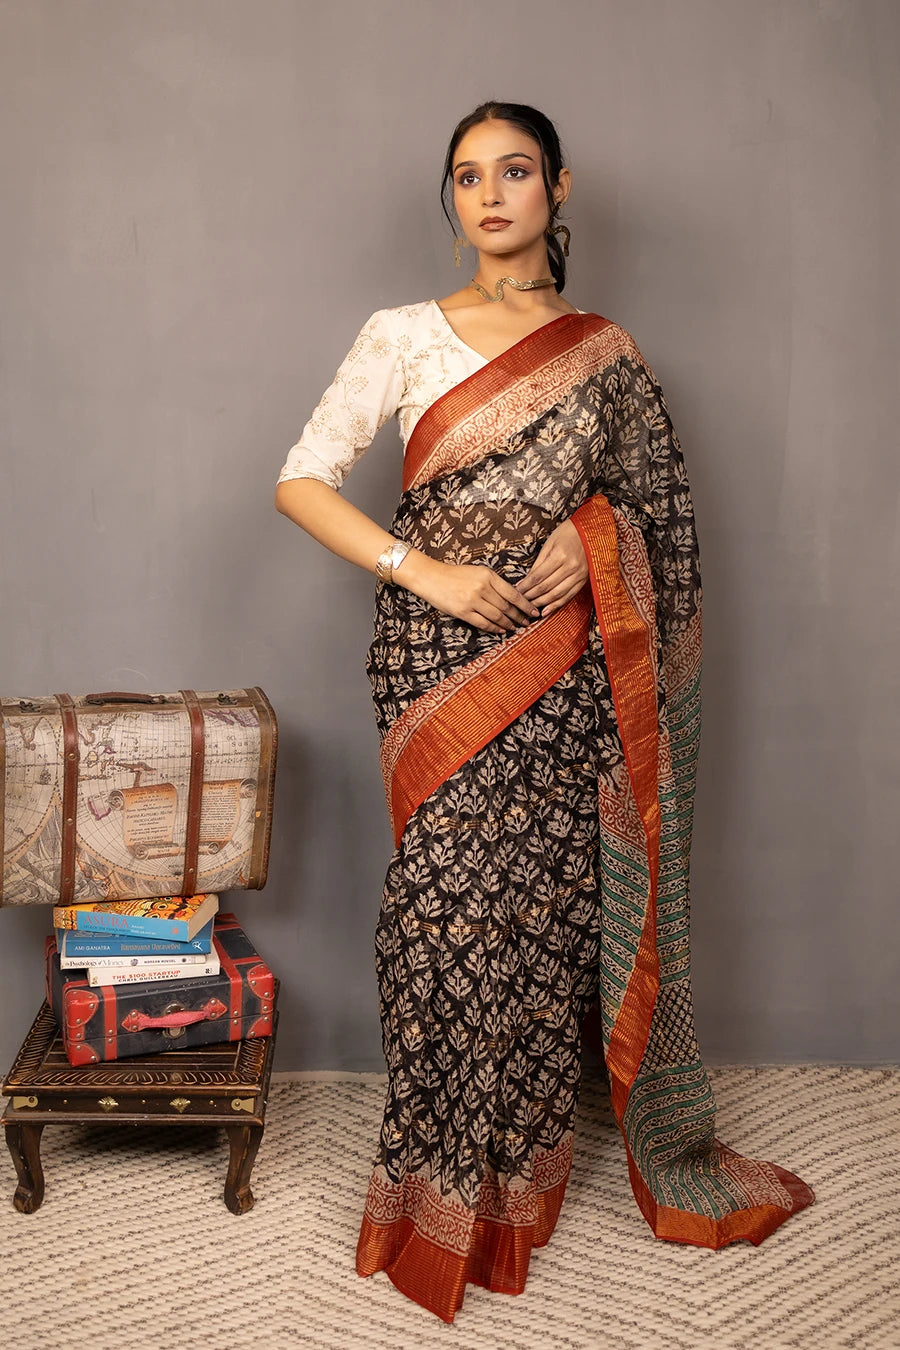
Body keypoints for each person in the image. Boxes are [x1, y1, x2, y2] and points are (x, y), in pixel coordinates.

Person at [274, 100, 814, 1324]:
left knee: (537, 918)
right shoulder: (403, 334)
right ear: (453, 201)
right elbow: (301, 479)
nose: (492, 194)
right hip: (432, 662)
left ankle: (517, 1183)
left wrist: (596, 537)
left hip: (568, 672)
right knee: (438, 919)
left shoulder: (605, 353)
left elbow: (659, 522)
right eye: (469, 177)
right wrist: (427, 573)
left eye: (515, 171)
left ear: (558, 188)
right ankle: (427, 1182)